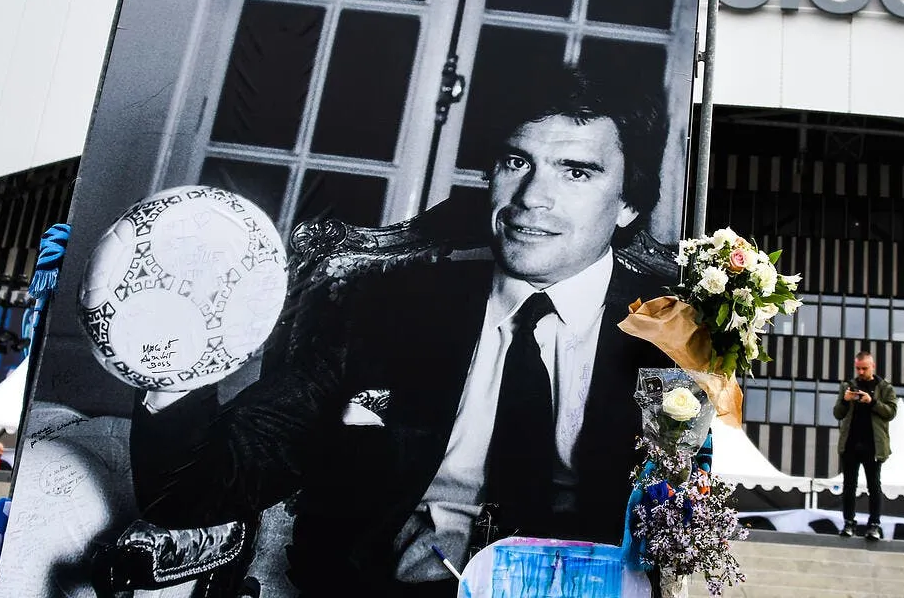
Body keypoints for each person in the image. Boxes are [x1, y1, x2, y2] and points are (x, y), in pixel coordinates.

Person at [128, 64, 674, 597]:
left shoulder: (670, 339)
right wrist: (173, 356)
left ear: (628, 203)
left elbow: (693, 538)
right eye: (516, 162)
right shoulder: (385, 310)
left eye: (576, 172)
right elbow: (203, 487)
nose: (531, 198)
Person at [833, 351, 897, 541]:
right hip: (850, 444)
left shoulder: (884, 387)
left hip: (873, 446)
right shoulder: (848, 386)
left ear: (872, 366)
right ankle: (849, 523)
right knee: (849, 486)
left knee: (874, 486)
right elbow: (838, 413)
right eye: (858, 368)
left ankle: (874, 525)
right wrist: (845, 400)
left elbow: (891, 412)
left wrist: (872, 401)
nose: (861, 372)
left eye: (864, 368)